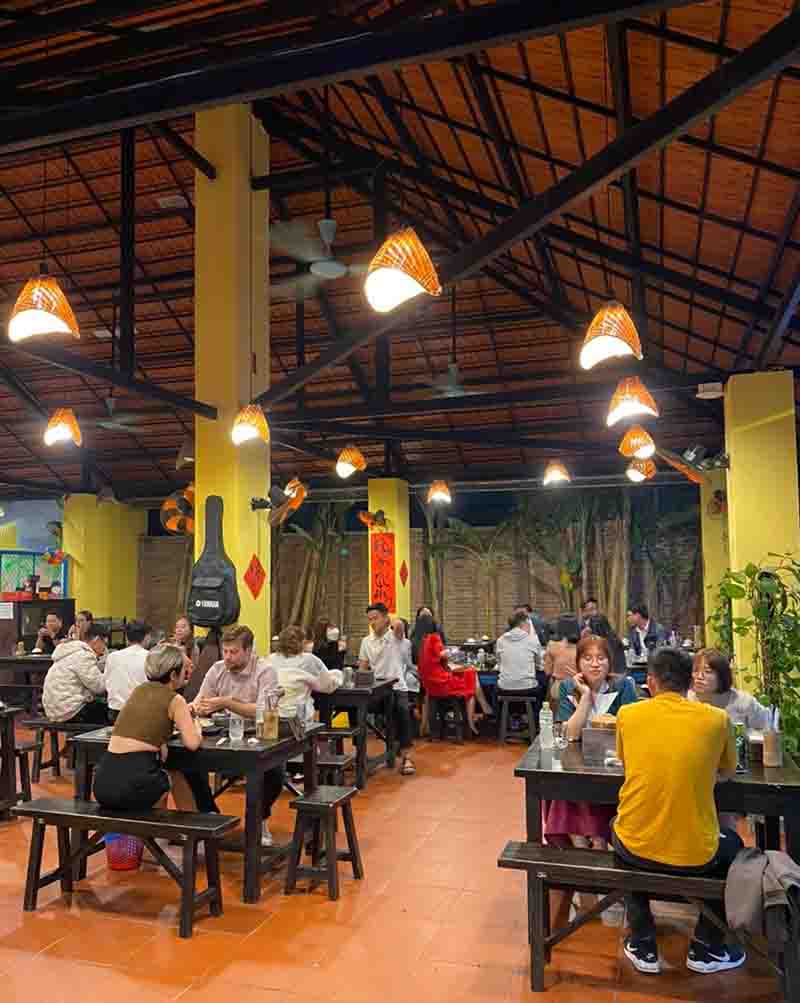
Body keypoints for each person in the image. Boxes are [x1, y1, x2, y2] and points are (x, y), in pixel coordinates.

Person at [612, 648, 744, 976]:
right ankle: (706, 945)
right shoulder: (717, 720)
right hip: (695, 854)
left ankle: (642, 939)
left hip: (635, 848)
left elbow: (627, 762)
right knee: (734, 847)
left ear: (651, 682)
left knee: (619, 827)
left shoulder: (628, 715)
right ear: (689, 683)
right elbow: (728, 771)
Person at [192, 625, 282, 846]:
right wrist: (198, 707)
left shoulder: (265, 671)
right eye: (225, 651)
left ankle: (259, 820)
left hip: (258, 735)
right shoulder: (217, 669)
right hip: (222, 734)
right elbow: (199, 702)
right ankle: (209, 816)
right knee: (187, 763)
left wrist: (226, 702)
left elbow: (263, 710)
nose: (227, 657)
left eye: (233, 652)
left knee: (274, 773)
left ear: (248, 650)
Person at [545, 635, 637, 848]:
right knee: (564, 782)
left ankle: (596, 838)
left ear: (609, 662)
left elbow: (632, 730)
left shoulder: (623, 686)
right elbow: (571, 735)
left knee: (588, 785)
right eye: (588, 658)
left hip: (613, 766)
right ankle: (580, 841)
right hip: (578, 764)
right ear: (578, 663)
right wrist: (585, 696)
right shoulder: (569, 686)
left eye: (601, 658)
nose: (595, 664)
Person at [93, 644, 200, 811]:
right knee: (172, 775)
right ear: (173, 675)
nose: (185, 674)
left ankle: (154, 827)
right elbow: (192, 743)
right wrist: (197, 725)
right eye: (183, 671)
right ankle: (189, 825)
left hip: (102, 783)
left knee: (158, 775)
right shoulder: (175, 699)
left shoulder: (138, 691)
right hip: (133, 786)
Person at [359, 603, 415, 776]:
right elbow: (363, 668)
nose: (372, 622)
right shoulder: (366, 642)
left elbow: (399, 625)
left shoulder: (395, 637)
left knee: (402, 709)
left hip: (397, 688)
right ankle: (360, 755)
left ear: (385, 618)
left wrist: (392, 620)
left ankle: (406, 756)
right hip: (377, 691)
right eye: (369, 619)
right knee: (355, 709)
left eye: (375, 618)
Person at [415, 613, 491, 734]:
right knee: (471, 679)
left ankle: (481, 711)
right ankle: (472, 723)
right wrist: (452, 651)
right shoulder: (434, 638)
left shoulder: (419, 641)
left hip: (430, 686)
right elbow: (443, 655)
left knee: (468, 675)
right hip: (442, 684)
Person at [266, 625, 342, 723]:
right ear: (302, 643)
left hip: (271, 717)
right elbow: (328, 686)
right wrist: (338, 676)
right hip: (298, 719)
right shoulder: (308, 660)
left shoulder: (269, 659)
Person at [42, 622, 109, 724]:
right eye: (104, 644)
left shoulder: (71, 652)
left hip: (55, 710)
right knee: (111, 713)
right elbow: (99, 687)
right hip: (69, 711)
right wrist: (110, 674)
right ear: (97, 640)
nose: (104, 649)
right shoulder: (83, 656)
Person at [690, 649, 772, 730]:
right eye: (695, 670)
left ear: (722, 676)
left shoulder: (743, 702)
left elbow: (768, 728)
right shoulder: (686, 701)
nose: (699, 676)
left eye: (707, 671)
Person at [104, 620, 153, 722]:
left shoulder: (112, 657)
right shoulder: (150, 657)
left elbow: (106, 683)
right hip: (142, 712)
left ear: (126, 637)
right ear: (147, 637)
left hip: (115, 712)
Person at [543, 614, 580, 706]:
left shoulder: (552, 645)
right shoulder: (584, 645)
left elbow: (547, 671)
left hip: (559, 688)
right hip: (580, 688)